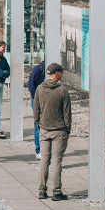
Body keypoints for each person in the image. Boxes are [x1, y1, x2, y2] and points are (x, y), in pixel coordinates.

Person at [34, 63, 71, 201]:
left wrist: (39, 125)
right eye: (61, 72)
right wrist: (68, 129)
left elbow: (36, 110)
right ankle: (57, 191)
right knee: (56, 161)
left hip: (44, 129)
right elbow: (67, 113)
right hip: (59, 131)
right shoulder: (62, 90)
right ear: (56, 73)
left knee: (44, 160)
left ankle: (42, 190)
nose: (62, 74)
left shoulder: (40, 89)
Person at [27, 60, 46, 160]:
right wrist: (36, 96)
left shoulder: (54, 70)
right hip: (37, 99)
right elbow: (30, 83)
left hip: (48, 100)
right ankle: (38, 150)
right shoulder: (39, 68)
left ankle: (46, 149)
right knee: (37, 125)